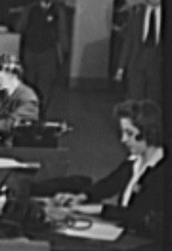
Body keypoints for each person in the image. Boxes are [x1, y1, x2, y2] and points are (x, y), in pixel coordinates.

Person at [48, 99, 164, 232]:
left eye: (129, 133)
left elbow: (137, 215)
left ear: (148, 132)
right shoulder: (133, 162)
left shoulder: (162, 171)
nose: (123, 140)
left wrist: (96, 209)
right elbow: (109, 184)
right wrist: (81, 197)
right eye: (123, 133)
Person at [15, 0, 69, 117]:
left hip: (48, 53)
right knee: (29, 84)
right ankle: (27, 112)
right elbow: (19, 28)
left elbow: (62, 32)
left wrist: (63, 52)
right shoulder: (30, 9)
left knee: (45, 86)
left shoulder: (58, 11)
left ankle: (40, 113)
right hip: (30, 52)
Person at [115, 0, 162, 101]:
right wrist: (120, 68)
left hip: (157, 62)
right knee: (133, 98)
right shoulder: (136, 15)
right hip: (137, 61)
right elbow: (128, 42)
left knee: (154, 99)